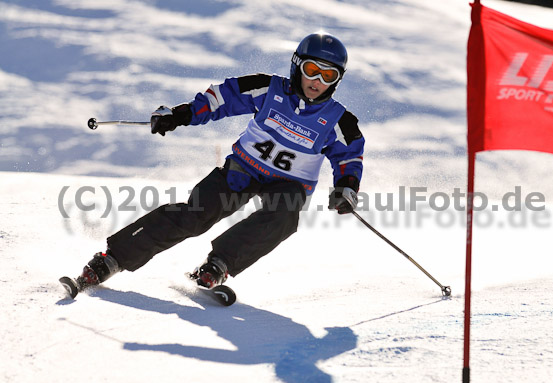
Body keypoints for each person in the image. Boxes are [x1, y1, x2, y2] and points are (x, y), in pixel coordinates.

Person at [75, 32, 365, 292]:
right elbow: (223, 98)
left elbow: (349, 156)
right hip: (243, 170)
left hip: (289, 184)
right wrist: (181, 114)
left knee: (285, 215)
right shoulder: (268, 89)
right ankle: (112, 259)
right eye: (312, 70)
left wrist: (347, 187)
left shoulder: (339, 120)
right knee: (196, 214)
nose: (317, 81)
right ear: (296, 66)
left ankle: (219, 264)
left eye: (328, 76)